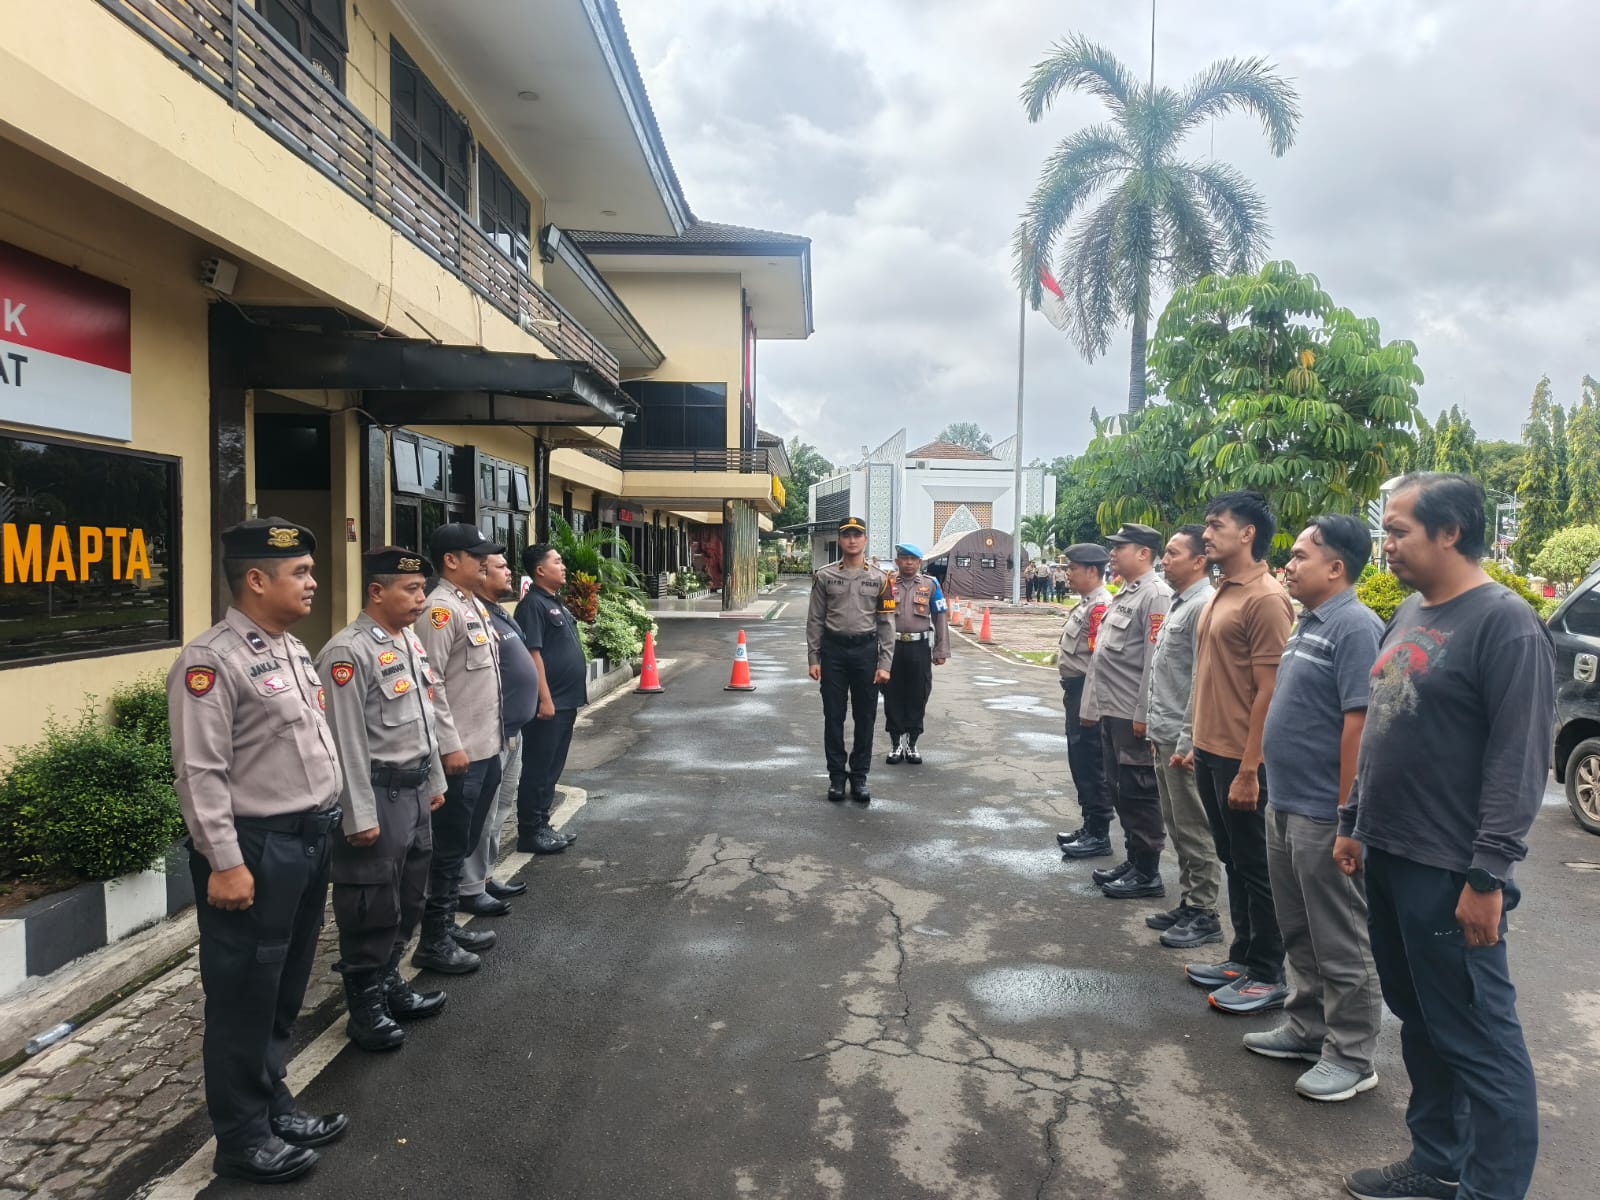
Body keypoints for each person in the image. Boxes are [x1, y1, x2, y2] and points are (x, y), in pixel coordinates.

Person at [1335, 473, 1553, 1200]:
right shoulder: (1409, 612)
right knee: (1422, 1022)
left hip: (1451, 868)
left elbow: (1519, 762)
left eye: (1399, 530)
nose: (1387, 544)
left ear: (1450, 531)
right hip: (1390, 854)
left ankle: (1491, 1189)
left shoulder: (1505, 624)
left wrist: (1488, 876)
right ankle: (1437, 1161)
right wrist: (1353, 823)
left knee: (1481, 1042)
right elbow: (1385, 725)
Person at [166, 518, 346, 1184]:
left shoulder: (291, 649)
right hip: (257, 849)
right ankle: (241, 1138)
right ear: (255, 580)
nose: (312, 582)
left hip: (307, 841)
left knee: (282, 986)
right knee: (244, 993)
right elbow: (200, 770)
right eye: (300, 572)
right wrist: (225, 861)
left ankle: (271, 1102)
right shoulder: (210, 661)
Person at [1250, 516, 1384, 1101]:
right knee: (1299, 928)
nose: (1290, 565)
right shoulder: (1309, 623)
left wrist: (1348, 817)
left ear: (1336, 567)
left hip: (1325, 813)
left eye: (1302, 556)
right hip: (1286, 802)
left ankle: (1352, 1055)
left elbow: (1359, 726)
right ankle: (1307, 1028)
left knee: (1341, 937)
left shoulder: (1355, 626)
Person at [316, 547, 452, 1050]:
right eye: (411, 590)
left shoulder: (408, 640)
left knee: (410, 896)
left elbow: (425, 720)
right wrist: (357, 813)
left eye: (423, 590)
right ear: (376, 591)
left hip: (414, 790)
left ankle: (390, 979)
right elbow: (344, 740)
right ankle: (364, 1005)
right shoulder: (347, 653)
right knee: (370, 901)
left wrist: (435, 781)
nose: (422, 599)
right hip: (378, 792)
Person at [1181, 492, 1294, 1014]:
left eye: (1215, 525)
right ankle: (1243, 957)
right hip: (1210, 750)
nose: (1206, 534)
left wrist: (1250, 768)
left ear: (1247, 533)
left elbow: (1269, 691)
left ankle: (1269, 972)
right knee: (1232, 858)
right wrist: (1195, 742)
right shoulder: (1223, 590)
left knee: (1256, 865)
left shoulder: (1266, 598)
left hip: (1242, 758)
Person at [412, 523, 506, 973]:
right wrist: (448, 746)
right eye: (476, 556)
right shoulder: (438, 611)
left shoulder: (470, 604)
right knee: (448, 848)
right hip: (460, 755)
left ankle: (447, 926)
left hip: (485, 747)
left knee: (462, 842)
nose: (485, 562)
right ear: (451, 561)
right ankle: (433, 940)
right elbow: (430, 685)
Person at [1079, 524, 1173, 898]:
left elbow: (1154, 662)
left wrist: (1143, 714)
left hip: (1131, 713)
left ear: (1144, 553)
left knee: (1139, 792)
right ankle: (1134, 861)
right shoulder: (1126, 593)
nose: (1113, 554)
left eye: (1121, 548)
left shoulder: (1156, 595)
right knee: (1120, 789)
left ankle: (1148, 872)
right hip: (1113, 710)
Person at [1142, 526, 1224, 948]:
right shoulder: (1180, 604)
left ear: (1199, 561)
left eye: (1174, 553)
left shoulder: (1202, 606)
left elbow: (1200, 680)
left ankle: (1205, 912)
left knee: (1194, 827)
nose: (1165, 560)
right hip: (1164, 733)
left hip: (1182, 740)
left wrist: (1189, 739)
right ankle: (1190, 901)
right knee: (1177, 825)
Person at [458, 551, 540, 915]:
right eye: (500, 567)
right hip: (489, 732)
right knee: (482, 812)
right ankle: (468, 885)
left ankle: (485, 876)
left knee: (499, 809)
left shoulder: (495, 611)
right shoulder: (463, 613)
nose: (509, 572)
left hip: (512, 729)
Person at [807, 515, 895, 803]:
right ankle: (836, 777)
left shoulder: (880, 579)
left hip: (865, 653)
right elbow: (815, 619)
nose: (852, 540)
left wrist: (885, 664)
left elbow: (887, 623)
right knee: (833, 716)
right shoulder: (825, 576)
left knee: (865, 717)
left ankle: (859, 777)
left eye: (857, 535)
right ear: (840, 539)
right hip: (833, 652)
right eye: (847, 535)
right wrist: (814, 657)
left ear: (865, 539)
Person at [514, 543, 586, 854]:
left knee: (551, 769)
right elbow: (533, 654)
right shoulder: (532, 605)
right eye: (557, 562)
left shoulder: (552, 602)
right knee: (538, 769)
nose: (563, 566)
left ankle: (543, 825)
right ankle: (530, 832)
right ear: (540, 570)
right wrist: (544, 698)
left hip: (565, 701)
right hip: (550, 703)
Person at [1054, 544, 1114, 858]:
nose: (1068, 573)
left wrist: (1090, 703)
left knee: (1090, 761)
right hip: (1076, 690)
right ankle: (1090, 824)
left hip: (1087, 691)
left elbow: (1097, 661)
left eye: (1073, 568)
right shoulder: (1086, 603)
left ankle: (1099, 833)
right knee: (1079, 760)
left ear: (1092, 571)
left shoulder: (1099, 607)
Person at [882, 542, 951, 765]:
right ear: (897, 561)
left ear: (919, 562)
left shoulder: (931, 584)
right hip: (891, 648)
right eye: (904, 558)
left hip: (919, 648)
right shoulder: (887, 582)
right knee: (891, 694)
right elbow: (877, 616)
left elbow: (940, 617)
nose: (909, 563)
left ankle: (912, 743)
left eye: (913, 559)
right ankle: (895, 743)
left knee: (918, 694)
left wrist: (941, 649)